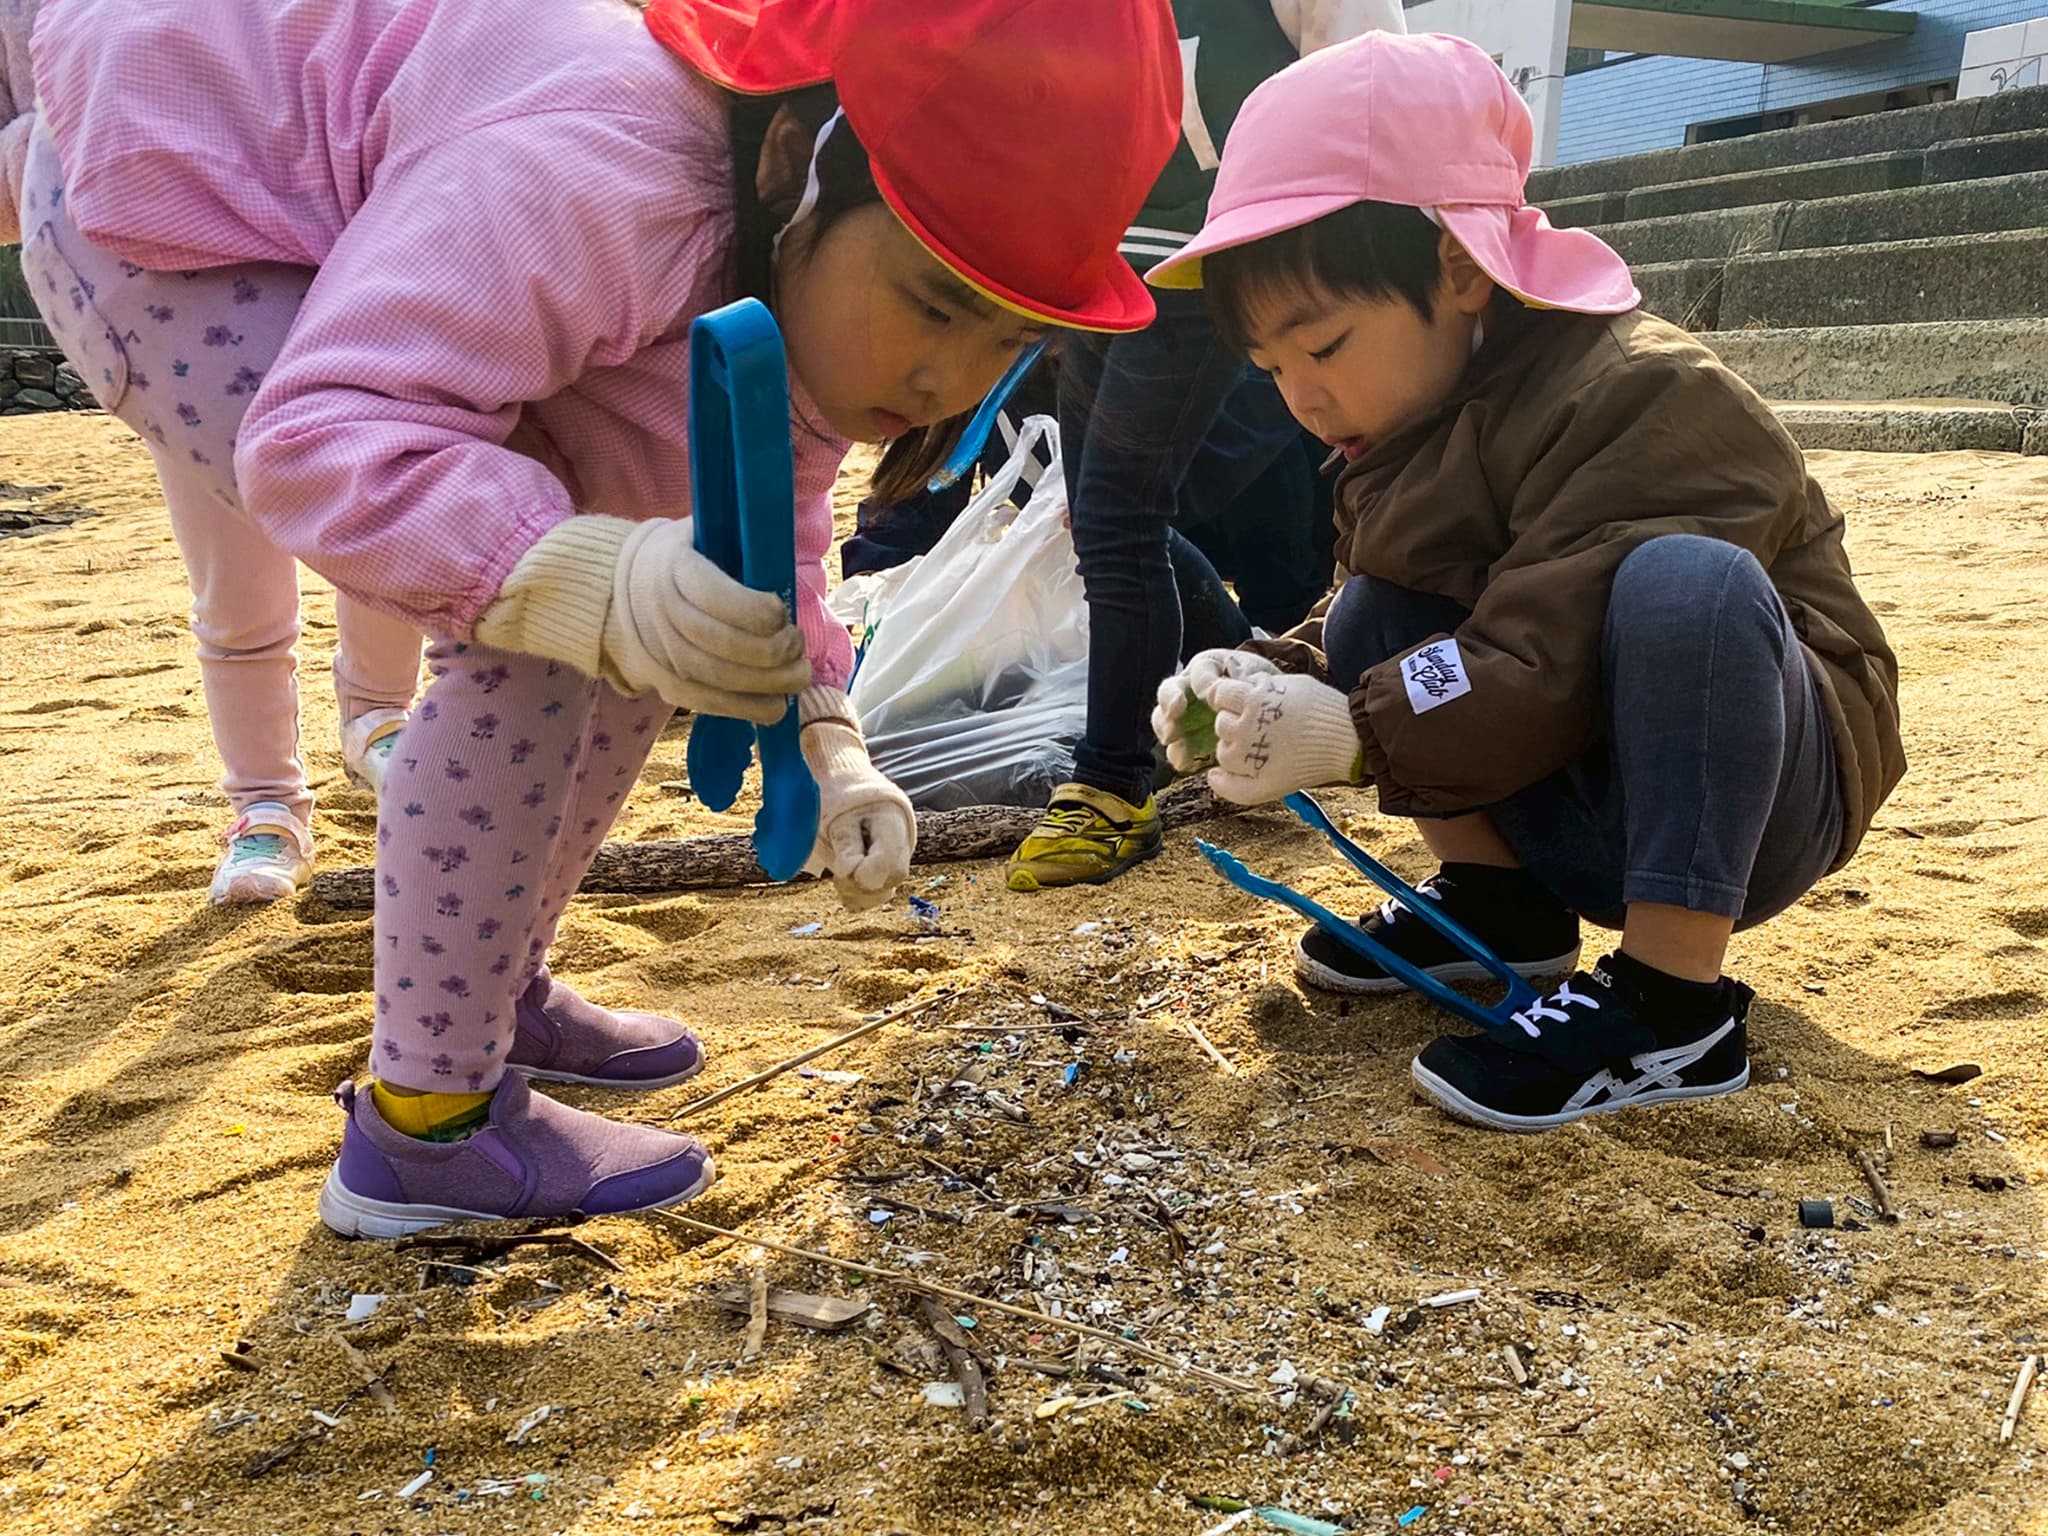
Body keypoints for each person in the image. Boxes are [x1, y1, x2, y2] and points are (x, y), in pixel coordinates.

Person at [18, 0, 1180, 1231]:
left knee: (633, 613)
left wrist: (827, 737)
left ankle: (491, 988)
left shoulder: (798, 267)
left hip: (369, 204)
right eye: (936, 305)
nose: (948, 382)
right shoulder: (603, 179)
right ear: (793, 162)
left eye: (1011, 338)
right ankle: (425, 1128)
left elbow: (751, 525)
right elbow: (323, 441)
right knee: (536, 622)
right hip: (179, 211)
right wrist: (592, 579)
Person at [1148, 32, 1905, 1132]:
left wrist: (1354, 735)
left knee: (1684, 584)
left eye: (1324, 345)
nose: (1301, 398)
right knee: (1374, 607)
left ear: (1457, 268)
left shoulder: (1648, 392)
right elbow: (1388, 612)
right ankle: (1502, 907)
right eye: (1270, 369)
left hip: (1752, 794)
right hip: (1576, 771)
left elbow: (1550, 638)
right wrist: (1264, 676)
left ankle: (1675, 1001)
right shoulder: (1410, 421)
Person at [0, 0, 422, 905]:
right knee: (236, 594)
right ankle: (266, 803)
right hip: (170, 313)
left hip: (343, 259)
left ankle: (382, 720)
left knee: (383, 516)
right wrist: (49, 155)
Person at [1005, 0, 1406, 891]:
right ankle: (1231, 678)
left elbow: (1368, 83)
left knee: (1119, 517)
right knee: (1096, 520)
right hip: (1100, 270)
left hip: (1210, 264)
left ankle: (1113, 782)